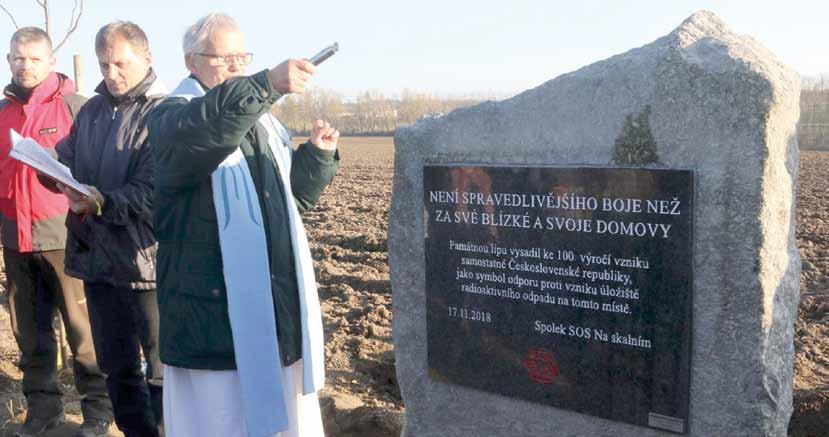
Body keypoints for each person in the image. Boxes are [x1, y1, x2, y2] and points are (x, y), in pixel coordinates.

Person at [148, 13, 339, 437]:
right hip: (211, 324)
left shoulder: (265, 125)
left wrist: (316, 160)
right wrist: (265, 85)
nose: (237, 65)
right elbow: (207, 131)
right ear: (190, 62)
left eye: (243, 56)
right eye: (224, 57)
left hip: (272, 317)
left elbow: (288, 208)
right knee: (222, 424)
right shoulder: (171, 119)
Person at [50, 21, 165, 437]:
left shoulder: (163, 113)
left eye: (121, 63)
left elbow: (151, 193)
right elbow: (66, 157)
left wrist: (100, 201)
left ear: (147, 58)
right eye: (104, 64)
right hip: (98, 263)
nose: (111, 74)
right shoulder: (92, 112)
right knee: (117, 370)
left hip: (147, 266)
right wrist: (51, 172)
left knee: (161, 372)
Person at [0, 27, 113, 437]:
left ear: (51, 62)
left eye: (33, 58)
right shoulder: (2, 112)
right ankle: (42, 411)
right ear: (8, 60)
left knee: (84, 330)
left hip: (68, 237)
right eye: (16, 57)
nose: (24, 65)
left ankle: (99, 411)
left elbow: (100, 170)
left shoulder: (76, 108)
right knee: (30, 334)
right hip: (16, 239)